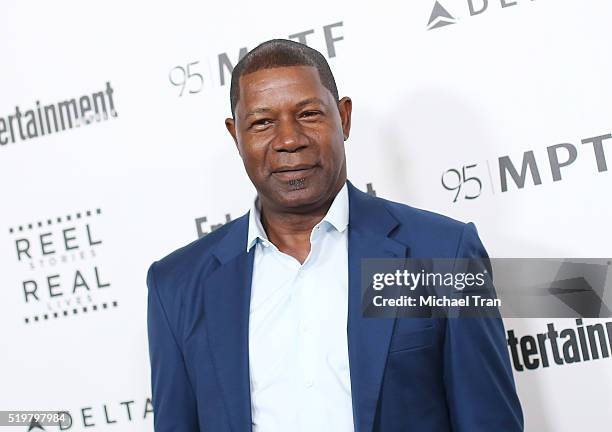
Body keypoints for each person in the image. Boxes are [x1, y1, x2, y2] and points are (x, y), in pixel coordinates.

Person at [146, 39, 523, 432]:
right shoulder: (176, 286)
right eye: (262, 122)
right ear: (235, 135)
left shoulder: (445, 252)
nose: (290, 140)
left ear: (343, 118)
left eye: (308, 114)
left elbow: (489, 421)